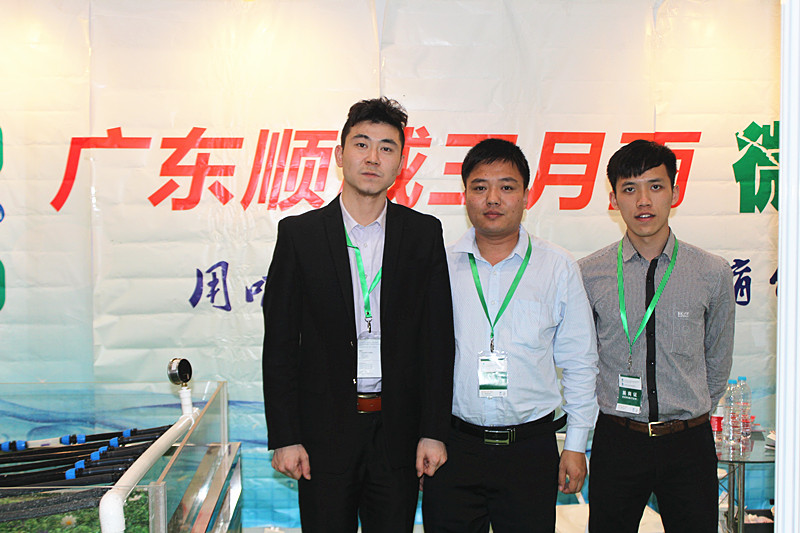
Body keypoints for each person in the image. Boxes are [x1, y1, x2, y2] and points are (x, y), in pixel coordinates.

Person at [261, 97, 455, 532]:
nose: (373, 157)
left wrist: (433, 430)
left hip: (399, 436)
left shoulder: (423, 233)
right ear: (339, 154)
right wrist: (286, 436)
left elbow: (437, 341)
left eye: (387, 148)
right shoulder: (300, 235)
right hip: (322, 438)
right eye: (362, 144)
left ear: (400, 162)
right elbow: (280, 344)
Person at [422, 138, 599, 532]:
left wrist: (575, 445)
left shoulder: (557, 267)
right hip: (453, 447)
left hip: (529, 451)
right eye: (480, 187)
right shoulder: (440, 265)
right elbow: (420, 361)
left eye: (506, 186)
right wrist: (423, 437)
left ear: (526, 196)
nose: (493, 199)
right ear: (464, 195)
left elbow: (580, 363)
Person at [579, 139, 735, 533]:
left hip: (688, 443)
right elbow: (582, 358)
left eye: (655, 186)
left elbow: (717, 359)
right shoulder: (589, 273)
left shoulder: (711, 272)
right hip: (618, 440)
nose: (643, 200)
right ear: (613, 199)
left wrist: (688, 409)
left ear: (675, 193)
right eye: (630, 189)